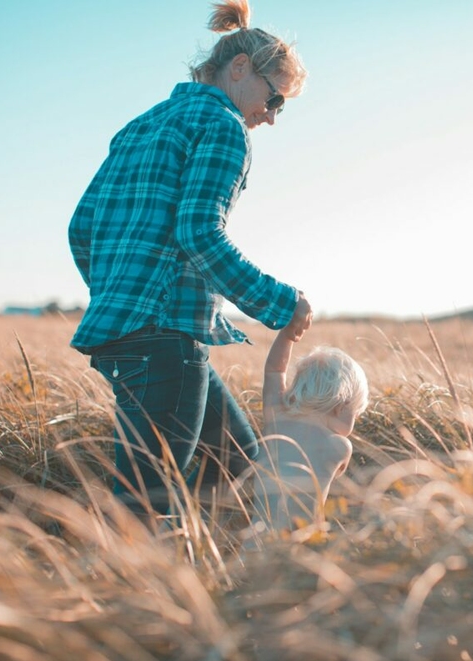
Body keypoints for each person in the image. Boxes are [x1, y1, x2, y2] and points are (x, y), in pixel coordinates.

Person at [67, 0, 311, 516]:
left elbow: (81, 229)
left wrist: (119, 296)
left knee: (242, 469)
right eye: (276, 100)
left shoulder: (141, 125)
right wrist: (280, 303)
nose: (270, 117)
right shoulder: (225, 127)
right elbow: (199, 233)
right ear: (241, 69)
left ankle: (243, 586)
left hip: (127, 333)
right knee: (146, 508)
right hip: (164, 339)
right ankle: (128, 593)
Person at [251, 327, 369, 533]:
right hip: (299, 543)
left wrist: (287, 336)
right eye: (356, 413)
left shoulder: (276, 419)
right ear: (342, 406)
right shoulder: (340, 446)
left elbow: (274, 370)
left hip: (254, 540)